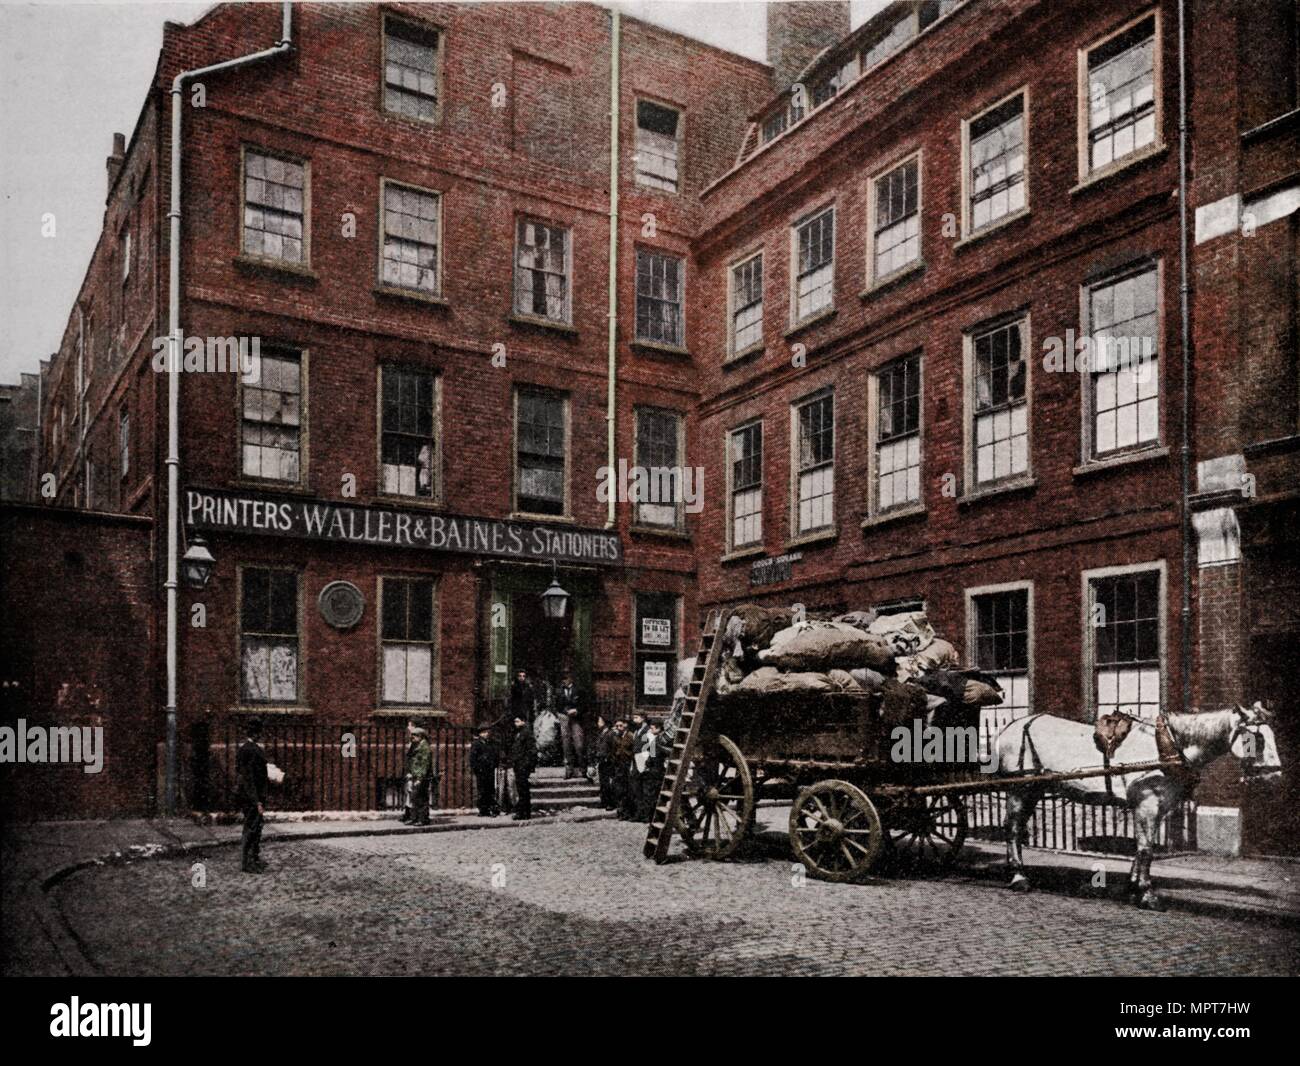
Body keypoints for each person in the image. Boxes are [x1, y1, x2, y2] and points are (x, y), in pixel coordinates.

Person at [235, 717, 269, 874]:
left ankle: (253, 859)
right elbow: (248, 777)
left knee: (255, 827)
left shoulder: (245, 749)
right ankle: (248, 862)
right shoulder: (252, 750)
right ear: (257, 733)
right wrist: (257, 801)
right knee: (252, 828)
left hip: (251, 795)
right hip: (252, 796)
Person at [556, 673, 586, 779]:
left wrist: (576, 711)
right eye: (562, 679)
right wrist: (563, 711)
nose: (564, 681)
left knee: (579, 745)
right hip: (564, 719)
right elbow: (557, 705)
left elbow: (584, 705)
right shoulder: (559, 691)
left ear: (571, 679)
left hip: (576, 720)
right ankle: (569, 769)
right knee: (566, 745)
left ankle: (582, 768)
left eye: (566, 678)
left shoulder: (579, 690)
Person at [402, 721, 433, 826]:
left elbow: (424, 764)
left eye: (415, 735)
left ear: (421, 736)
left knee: (421, 798)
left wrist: (420, 778)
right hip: (415, 775)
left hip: (422, 776)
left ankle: (422, 819)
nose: (413, 737)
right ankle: (414, 817)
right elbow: (411, 761)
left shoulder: (424, 748)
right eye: (412, 735)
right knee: (414, 798)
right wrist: (410, 772)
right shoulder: (415, 746)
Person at [639, 720, 669, 822]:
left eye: (652, 728)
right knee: (653, 795)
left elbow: (652, 757)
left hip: (655, 771)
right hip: (657, 769)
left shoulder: (658, 741)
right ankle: (652, 817)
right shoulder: (659, 740)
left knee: (652, 795)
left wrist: (647, 765)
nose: (651, 730)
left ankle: (651, 817)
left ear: (658, 729)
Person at [510, 714, 538, 820]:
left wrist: (527, 765)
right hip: (518, 765)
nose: (515, 724)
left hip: (523, 765)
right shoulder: (519, 733)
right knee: (521, 789)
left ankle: (524, 813)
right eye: (515, 722)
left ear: (523, 721)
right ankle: (523, 812)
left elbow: (532, 751)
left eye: (517, 721)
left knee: (523, 790)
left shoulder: (527, 733)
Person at [622, 713, 649, 820]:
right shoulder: (637, 730)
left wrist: (646, 762)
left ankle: (645, 815)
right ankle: (638, 813)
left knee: (643, 788)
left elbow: (649, 747)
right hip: (636, 759)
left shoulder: (647, 731)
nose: (634, 720)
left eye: (636, 717)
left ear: (643, 718)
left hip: (643, 758)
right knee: (636, 788)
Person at [470, 724, 500, 817]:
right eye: (484, 732)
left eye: (487, 732)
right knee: (482, 790)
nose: (486, 734)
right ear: (480, 734)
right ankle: (483, 810)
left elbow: (495, 755)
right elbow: (473, 758)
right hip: (481, 770)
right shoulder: (476, 744)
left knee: (490, 790)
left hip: (490, 770)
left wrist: (494, 764)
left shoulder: (492, 743)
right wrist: (476, 768)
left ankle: (491, 808)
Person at [611, 718, 634, 818]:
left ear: (625, 725)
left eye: (620, 726)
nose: (618, 728)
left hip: (627, 765)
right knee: (619, 789)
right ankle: (620, 811)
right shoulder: (617, 736)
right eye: (616, 726)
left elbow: (632, 751)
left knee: (626, 790)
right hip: (619, 766)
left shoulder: (630, 736)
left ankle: (626, 812)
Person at [594, 715, 616, 809]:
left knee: (608, 783)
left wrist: (608, 757)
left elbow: (612, 748)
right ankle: (604, 801)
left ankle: (610, 803)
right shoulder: (601, 733)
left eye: (599, 721)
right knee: (603, 782)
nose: (598, 724)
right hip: (601, 760)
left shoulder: (610, 734)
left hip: (608, 761)